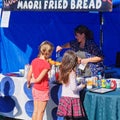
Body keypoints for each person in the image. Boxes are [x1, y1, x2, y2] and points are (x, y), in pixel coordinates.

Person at [27, 41, 54, 120]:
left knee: (35, 111)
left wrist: (28, 83)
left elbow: (29, 75)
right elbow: (38, 79)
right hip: (43, 89)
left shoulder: (34, 61)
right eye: (51, 52)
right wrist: (32, 81)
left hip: (35, 89)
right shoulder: (46, 64)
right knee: (41, 112)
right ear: (47, 53)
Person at [57, 50, 86, 120]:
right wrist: (82, 86)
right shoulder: (72, 73)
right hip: (72, 99)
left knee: (66, 118)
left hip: (64, 98)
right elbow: (74, 89)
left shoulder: (62, 70)